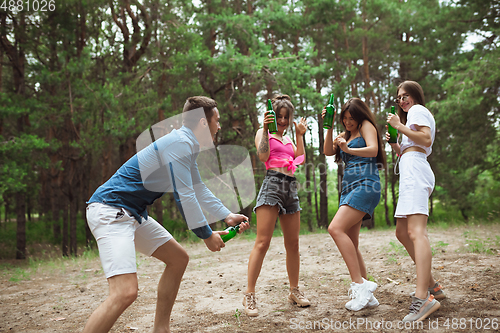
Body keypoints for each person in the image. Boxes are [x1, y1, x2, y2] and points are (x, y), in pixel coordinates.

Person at [83, 96, 250, 333]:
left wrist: (227, 215)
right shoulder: (180, 143)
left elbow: (197, 187)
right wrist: (206, 235)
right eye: (217, 120)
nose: (219, 126)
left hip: (132, 214)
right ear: (204, 122)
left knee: (178, 259)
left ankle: (161, 330)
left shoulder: (186, 144)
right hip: (111, 210)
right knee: (125, 292)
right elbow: (185, 196)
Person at [243, 95, 309, 317]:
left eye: (285, 117)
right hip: (272, 184)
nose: (282, 121)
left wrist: (300, 136)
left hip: (290, 187)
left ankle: (294, 290)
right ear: (272, 116)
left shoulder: (289, 139)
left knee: (293, 243)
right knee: (262, 242)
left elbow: (300, 158)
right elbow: (263, 155)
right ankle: (250, 294)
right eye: (278, 116)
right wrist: (264, 127)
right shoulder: (264, 133)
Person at [386, 80, 444, 322]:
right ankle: (433, 286)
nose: (402, 100)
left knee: (416, 232)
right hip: (412, 169)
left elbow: (426, 140)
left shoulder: (418, 110)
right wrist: (395, 144)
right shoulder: (410, 117)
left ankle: (423, 299)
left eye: (406, 95)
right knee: (402, 232)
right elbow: (412, 146)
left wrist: (399, 125)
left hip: (417, 171)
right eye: (399, 97)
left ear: (416, 96)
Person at [322, 97, 386, 311]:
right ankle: (368, 297)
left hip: (366, 184)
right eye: (344, 119)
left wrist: (348, 149)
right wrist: (329, 127)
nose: (348, 122)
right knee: (351, 242)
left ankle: (360, 285)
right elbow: (327, 152)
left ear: (359, 117)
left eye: (352, 119)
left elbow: (373, 150)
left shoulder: (366, 126)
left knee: (335, 228)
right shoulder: (345, 135)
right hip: (349, 188)